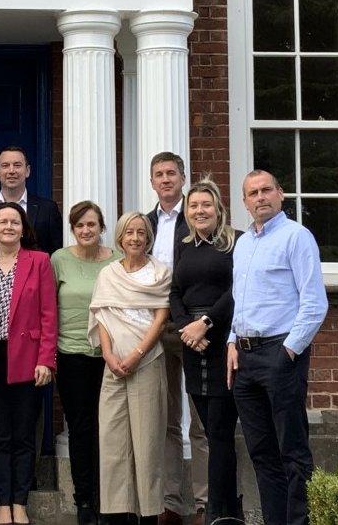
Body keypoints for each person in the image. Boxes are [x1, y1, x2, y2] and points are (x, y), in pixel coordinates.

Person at [226, 171, 328, 525]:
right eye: (252, 193)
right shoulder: (243, 244)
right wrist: (230, 342)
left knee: (292, 452)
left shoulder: (296, 237)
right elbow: (240, 301)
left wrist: (288, 351)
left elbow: (314, 303)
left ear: (280, 194)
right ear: (244, 202)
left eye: (266, 190)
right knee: (261, 453)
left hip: (280, 353)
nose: (260, 197)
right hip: (245, 357)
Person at [0, 202, 57, 525]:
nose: (8, 227)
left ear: (24, 228)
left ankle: (20, 502)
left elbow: (49, 314)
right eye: (3, 221)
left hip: (28, 358)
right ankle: (2, 502)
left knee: (23, 435)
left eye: (15, 222)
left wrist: (46, 360)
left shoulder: (39, 261)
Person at [88, 211, 171, 525]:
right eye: (129, 233)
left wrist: (137, 353)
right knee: (112, 441)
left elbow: (161, 318)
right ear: (119, 238)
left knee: (147, 441)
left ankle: (149, 513)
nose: (135, 238)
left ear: (147, 237)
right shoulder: (108, 274)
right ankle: (115, 513)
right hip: (114, 366)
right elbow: (102, 315)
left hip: (147, 361)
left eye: (140, 232)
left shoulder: (159, 273)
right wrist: (108, 355)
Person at [169, 180, 243, 525]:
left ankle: (219, 509)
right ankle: (226, 508)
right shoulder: (183, 246)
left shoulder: (235, 242)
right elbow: (175, 292)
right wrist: (187, 327)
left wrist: (206, 323)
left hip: (221, 340)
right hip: (192, 344)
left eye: (206, 205)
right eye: (194, 205)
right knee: (208, 429)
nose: (200, 211)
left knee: (219, 430)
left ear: (218, 209)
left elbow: (237, 290)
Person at [145, 152, 208, 525]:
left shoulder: (199, 214)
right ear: (152, 182)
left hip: (196, 329)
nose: (165, 180)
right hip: (159, 328)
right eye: (159, 175)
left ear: (183, 177)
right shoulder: (146, 223)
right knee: (166, 420)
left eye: (171, 173)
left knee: (200, 421)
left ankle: (203, 503)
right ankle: (170, 503)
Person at [50, 201, 122, 525]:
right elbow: (48, 309)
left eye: (92, 224)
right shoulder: (59, 260)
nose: (86, 230)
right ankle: (84, 502)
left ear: (101, 227)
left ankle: (109, 500)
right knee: (80, 429)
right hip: (72, 355)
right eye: (80, 225)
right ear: (73, 228)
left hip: (111, 357)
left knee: (110, 430)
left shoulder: (118, 260)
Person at [0, 146, 64, 256]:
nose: (11, 171)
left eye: (17, 165)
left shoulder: (48, 209)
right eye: (5, 166)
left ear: (27, 171)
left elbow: (55, 253)